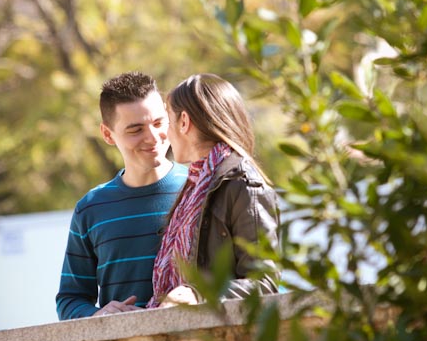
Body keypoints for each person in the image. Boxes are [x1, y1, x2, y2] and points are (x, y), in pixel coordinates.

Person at [56, 72, 187, 319]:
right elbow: (69, 300)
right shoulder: (91, 209)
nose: (152, 137)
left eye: (159, 123)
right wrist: (97, 316)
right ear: (107, 134)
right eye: (136, 129)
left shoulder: (200, 189)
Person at [147, 73, 279, 308]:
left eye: (168, 121)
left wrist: (199, 293)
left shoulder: (244, 184)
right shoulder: (194, 187)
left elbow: (264, 284)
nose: (164, 134)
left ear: (184, 122)